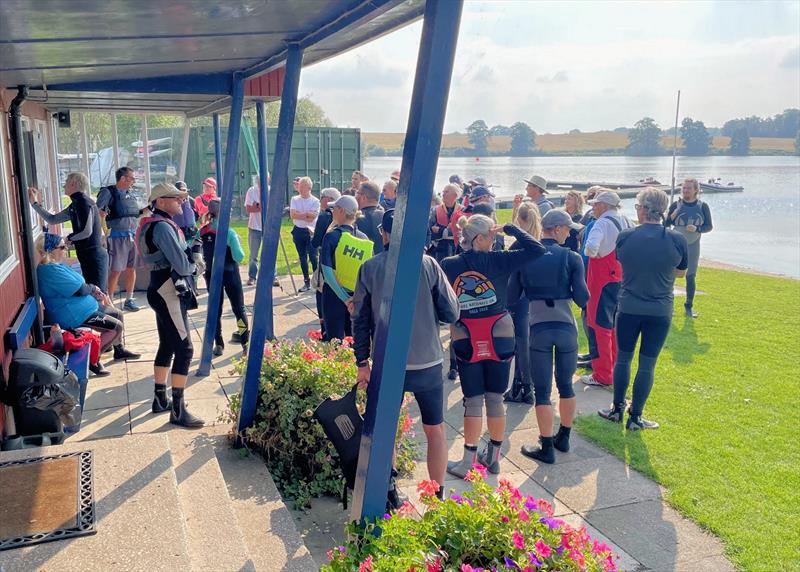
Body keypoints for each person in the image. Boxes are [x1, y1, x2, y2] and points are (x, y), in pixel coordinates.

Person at [353, 209, 459, 495]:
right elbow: (451, 311)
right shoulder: (429, 265)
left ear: (384, 234)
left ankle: (388, 489)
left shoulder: (369, 268)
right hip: (427, 361)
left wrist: (362, 361)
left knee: (386, 429)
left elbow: (360, 321)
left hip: (388, 364)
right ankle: (438, 493)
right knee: (435, 429)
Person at [441, 215, 544, 477]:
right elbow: (536, 248)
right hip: (500, 331)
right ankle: (494, 458)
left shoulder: (450, 265)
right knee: (495, 398)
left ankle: (468, 461)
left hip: (466, 334)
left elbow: (442, 300)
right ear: (480, 238)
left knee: (473, 400)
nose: (497, 239)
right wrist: (512, 228)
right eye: (492, 234)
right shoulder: (500, 260)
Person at [599, 188, 688, 430]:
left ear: (641, 209)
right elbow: (681, 271)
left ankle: (616, 408)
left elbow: (622, 261)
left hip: (628, 306)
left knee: (624, 359)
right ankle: (636, 417)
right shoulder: (676, 239)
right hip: (659, 310)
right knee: (647, 364)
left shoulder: (626, 236)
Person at [511, 210, 588, 463]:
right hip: (566, 329)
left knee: (542, 392)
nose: (570, 233)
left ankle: (546, 447)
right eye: (568, 229)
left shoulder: (524, 258)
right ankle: (564, 437)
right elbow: (582, 298)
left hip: (539, 328)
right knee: (565, 385)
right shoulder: (572, 257)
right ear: (556, 229)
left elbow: (511, 298)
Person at [136, 183, 203, 428]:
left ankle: (159, 398)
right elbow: (183, 266)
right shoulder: (163, 226)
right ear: (161, 201)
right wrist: (195, 260)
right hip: (168, 290)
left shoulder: (150, 222)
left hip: (158, 287)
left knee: (167, 345)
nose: (181, 202)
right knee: (185, 349)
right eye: (176, 198)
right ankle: (178, 409)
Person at [36, 232, 140, 377]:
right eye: (62, 247)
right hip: (73, 315)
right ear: (50, 250)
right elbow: (79, 289)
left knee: (117, 314)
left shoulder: (56, 266)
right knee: (115, 328)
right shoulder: (49, 271)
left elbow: (81, 285)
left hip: (84, 307)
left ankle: (119, 350)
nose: (66, 249)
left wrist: (93, 290)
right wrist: (93, 289)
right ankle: (93, 360)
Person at [579, 190, 633, 387]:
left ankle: (602, 374)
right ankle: (615, 367)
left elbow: (590, 248)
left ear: (604, 206)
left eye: (595, 204)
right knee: (614, 325)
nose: (593, 208)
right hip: (620, 277)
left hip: (600, 280)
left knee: (597, 325)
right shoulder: (626, 220)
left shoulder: (601, 223)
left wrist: (591, 252)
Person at [29, 172, 108, 293]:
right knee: (94, 293)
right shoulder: (75, 204)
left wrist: (68, 238)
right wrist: (34, 204)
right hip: (86, 255)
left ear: (73, 184)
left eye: (66, 182)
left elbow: (86, 231)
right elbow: (52, 219)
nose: (64, 185)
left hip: (94, 255)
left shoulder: (84, 203)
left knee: (98, 294)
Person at [199, 198, 250, 357]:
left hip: (212, 273)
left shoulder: (203, 230)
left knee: (215, 309)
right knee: (239, 309)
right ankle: (245, 343)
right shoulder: (229, 232)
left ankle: (218, 343)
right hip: (230, 272)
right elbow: (239, 256)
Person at [504, 201, 542, 404]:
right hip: (532, 297)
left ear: (520, 220)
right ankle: (522, 384)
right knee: (525, 341)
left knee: (521, 342)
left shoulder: (520, 245)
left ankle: (525, 386)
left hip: (518, 298)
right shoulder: (538, 240)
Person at [319, 195, 371, 341]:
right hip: (357, 297)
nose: (332, 211)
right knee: (353, 340)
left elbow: (327, 272)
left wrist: (344, 298)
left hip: (334, 296)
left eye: (334, 208)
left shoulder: (331, 236)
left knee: (334, 341)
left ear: (341, 211)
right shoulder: (364, 239)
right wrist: (353, 299)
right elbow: (367, 272)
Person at [664, 178, 713, 318]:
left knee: (690, 276)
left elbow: (709, 226)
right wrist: (675, 212)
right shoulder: (676, 205)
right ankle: (669, 306)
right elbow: (665, 224)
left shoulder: (703, 206)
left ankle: (689, 307)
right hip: (675, 245)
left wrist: (697, 228)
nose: (685, 191)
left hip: (693, 245)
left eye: (689, 188)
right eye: (684, 188)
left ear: (696, 190)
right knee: (671, 275)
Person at [97, 167, 143, 311]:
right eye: (132, 178)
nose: (134, 182)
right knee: (116, 270)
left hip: (132, 235)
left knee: (131, 268)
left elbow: (135, 212)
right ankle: (109, 301)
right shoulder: (108, 192)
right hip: (117, 236)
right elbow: (97, 211)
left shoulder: (130, 194)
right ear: (123, 178)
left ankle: (129, 299)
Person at [577, 186, 603, 370]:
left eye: (594, 199)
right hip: (588, 274)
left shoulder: (600, 224)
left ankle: (596, 357)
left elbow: (589, 254)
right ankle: (593, 353)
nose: (590, 203)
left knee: (591, 316)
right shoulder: (594, 221)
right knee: (587, 316)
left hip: (591, 275)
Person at [311, 188, 342, 337]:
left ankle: (325, 330)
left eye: (322, 196)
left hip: (327, 261)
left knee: (322, 292)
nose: (321, 199)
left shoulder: (324, 217)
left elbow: (316, 241)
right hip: (344, 264)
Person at [290, 176, 320, 293]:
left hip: (311, 232)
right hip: (298, 230)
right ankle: (306, 282)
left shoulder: (315, 201)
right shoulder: (295, 199)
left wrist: (301, 214)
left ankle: (317, 281)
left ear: (309, 188)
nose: (300, 189)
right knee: (302, 258)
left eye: (303, 187)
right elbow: (293, 215)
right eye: (299, 186)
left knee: (313, 257)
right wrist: (306, 215)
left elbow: (313, 217)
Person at [429, 184, 463, 263]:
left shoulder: (463, 210)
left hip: (457, 248)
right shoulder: (435, 210)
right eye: (443, 192)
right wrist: (447, 230)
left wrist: (441, 230)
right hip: (440, 249)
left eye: (447, 192)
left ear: (455, 195)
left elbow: (464, 231)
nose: (443, 194)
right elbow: (430, 230)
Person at [355, 181, 385, 255]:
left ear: (363, 197)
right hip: (383, 262)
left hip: (363, 263)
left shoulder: (356, 218)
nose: (355, 196)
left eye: (357, 193)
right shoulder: (385, 217)